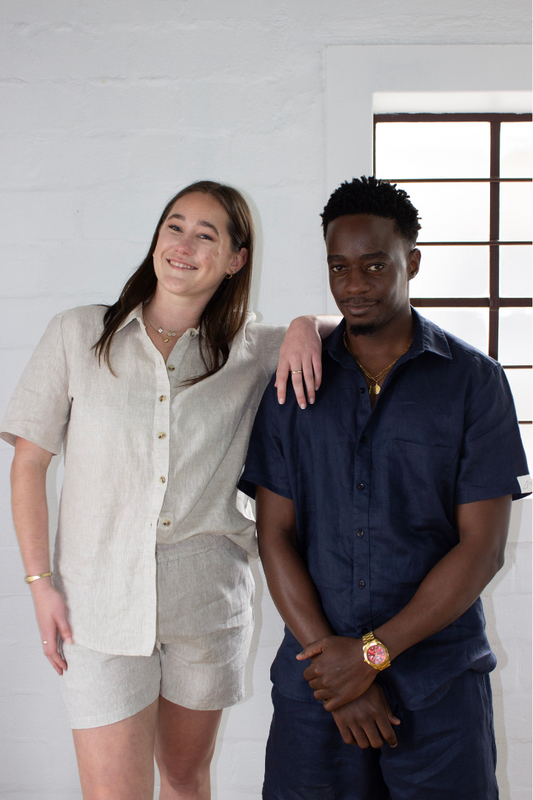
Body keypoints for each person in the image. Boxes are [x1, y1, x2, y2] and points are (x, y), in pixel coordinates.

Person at [1, 180, 334, 800]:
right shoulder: (78, 333)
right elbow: (28, 464)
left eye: (206, 235)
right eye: (174, 227)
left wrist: (304, 324)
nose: (183, 245)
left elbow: (355, 324)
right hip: (98, 608)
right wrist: (40, 583)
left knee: (184, 778)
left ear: (235, 259)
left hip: (207, 605)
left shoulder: (251, 351)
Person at [239, 176, 531, 799]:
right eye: (338, 267)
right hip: (317, 690)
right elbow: (274, 535)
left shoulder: (474, 383)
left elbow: (482, 549)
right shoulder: (293, 384)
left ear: (412, 262)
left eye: (375, 265)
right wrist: (336, 671)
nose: (354, 285)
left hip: (439, 685)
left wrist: (368, 658)